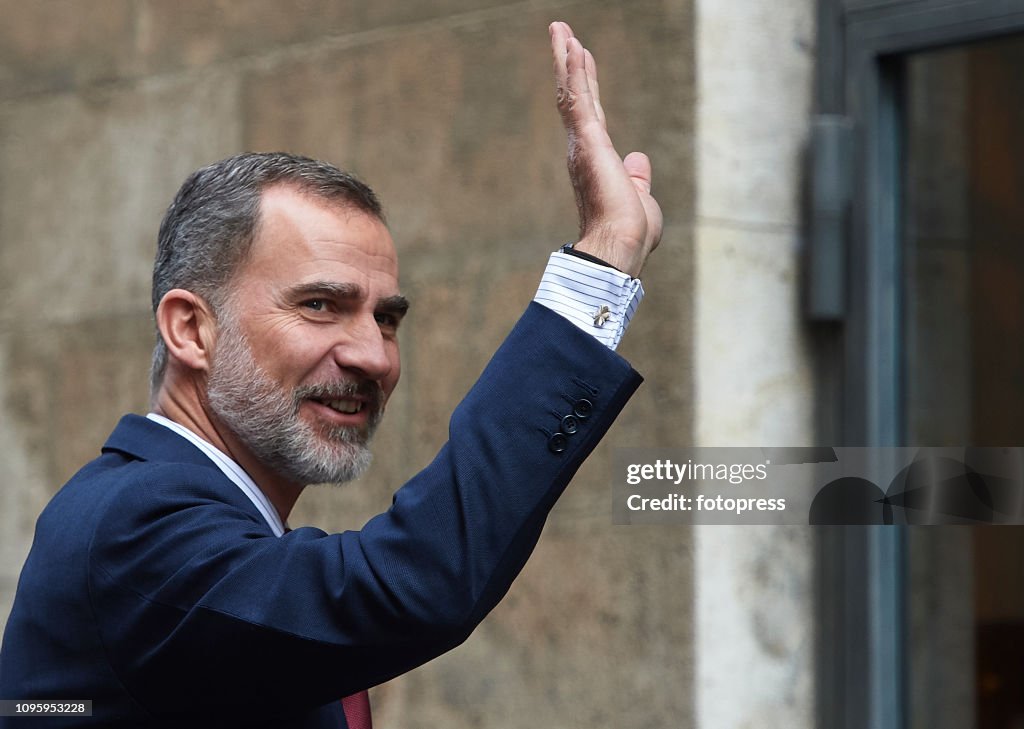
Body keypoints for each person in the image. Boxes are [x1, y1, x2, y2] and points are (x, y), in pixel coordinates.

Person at [0, 21, 662, 729]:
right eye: (320, 305)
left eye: (387, 318)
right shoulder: (135, 525)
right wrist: (600, 266)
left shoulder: (216, 536)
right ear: (191, 329)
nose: (373, 355)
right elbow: (412, 582)